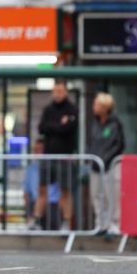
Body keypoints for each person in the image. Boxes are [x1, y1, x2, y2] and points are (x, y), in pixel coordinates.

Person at [34, 80, 78, 231]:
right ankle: (36, 220)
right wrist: (59, 125)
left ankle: (66, 222)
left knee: (65, 190)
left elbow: (68, 129)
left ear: (66, 92)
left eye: (60, 91)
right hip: (48, 156)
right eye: (55, 91)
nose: (58, 94)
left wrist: (53, 127)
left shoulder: (72, 109)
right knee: (42, 188)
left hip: (65, 157)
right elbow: (41, 128)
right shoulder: (48, 109)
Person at [88, 92, 125, 236]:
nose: (94, 107)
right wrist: (92, 159)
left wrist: (106, 160)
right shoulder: (95, 123)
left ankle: (114, 224)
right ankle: (100, 223)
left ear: (104, 107)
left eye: (96, 104)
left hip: (110, 165)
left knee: (111, 196)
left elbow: (118, 145)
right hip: (96, 165)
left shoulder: (115, 123)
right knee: (96, 195)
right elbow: (92, 143)